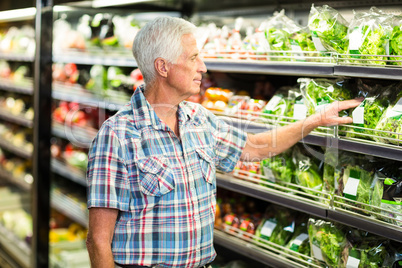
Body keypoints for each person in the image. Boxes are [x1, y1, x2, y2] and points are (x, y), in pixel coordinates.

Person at [85, 16, 361, 268]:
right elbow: (98, 241)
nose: (203, 67)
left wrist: (313, 120)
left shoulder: (199, 119)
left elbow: (255, 147)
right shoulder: (117, 136)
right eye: (193, 58)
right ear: (163, 66)